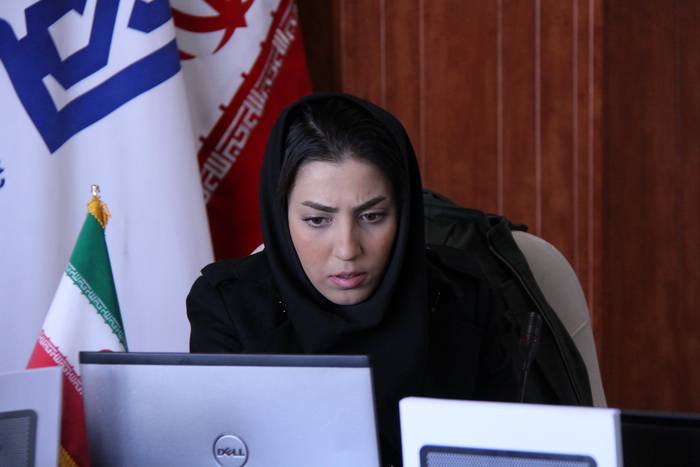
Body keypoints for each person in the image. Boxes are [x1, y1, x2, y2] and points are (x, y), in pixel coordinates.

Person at [186, 92, 516, 466]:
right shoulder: (229, 309)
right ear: (280, 218)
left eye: (372, 216)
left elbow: (506, 453)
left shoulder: (462, 297)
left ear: (404, 213)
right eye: (317, 220)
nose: (347, 249)